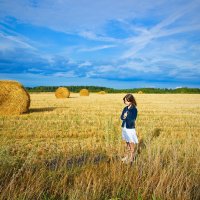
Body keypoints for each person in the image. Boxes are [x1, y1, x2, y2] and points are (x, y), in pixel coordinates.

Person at [120, 93, 138, 164]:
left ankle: (131, 159)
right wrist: (124, 116)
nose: (125, 102)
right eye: (124, 101)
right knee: (127, 143)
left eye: (126, 101)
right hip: (124, 127)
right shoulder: (125, 108)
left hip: (130, 128)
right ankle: (126, 156)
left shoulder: (134, 109)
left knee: (131, 144)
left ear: (131, 101)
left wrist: (126, 116)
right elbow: (121, 117)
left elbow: (133, 118)